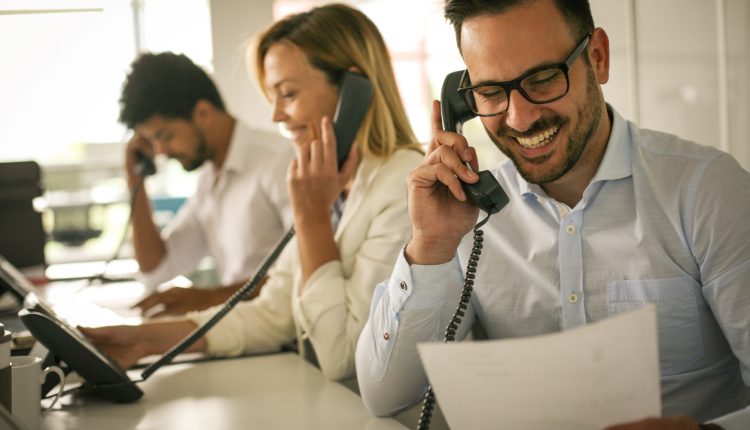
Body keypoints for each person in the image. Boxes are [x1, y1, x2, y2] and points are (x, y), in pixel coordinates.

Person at [355, 0, 750, 429]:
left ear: (597, 58)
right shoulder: (471, 215)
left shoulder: (707, 190)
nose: (519, 118)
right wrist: (429, 246)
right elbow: (383, 394)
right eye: (490, 93)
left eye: (542, 80)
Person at [81, 3, 423, 381]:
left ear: (352, 91)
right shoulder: (331, 181)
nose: (276, 115)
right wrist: (143, 339)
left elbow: (341, 355)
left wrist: (311, 219)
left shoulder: (402, 185)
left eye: (288, 94)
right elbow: (274, 312)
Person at [119, 52, 295, 316]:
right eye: (152, 141)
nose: (161, 152)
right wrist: (135, 180)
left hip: (287, 341)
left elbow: (305, 274)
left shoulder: (278, 162)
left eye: (165, 136)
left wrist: (209, 298)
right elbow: (156, 269)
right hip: (243, 336)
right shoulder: (210, 180)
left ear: (203, 113)